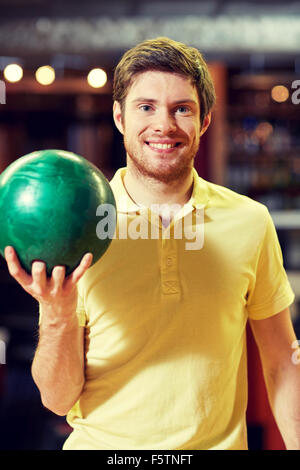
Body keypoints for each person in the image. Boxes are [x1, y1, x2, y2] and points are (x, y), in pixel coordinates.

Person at [4, 37, 299, 450]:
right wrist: (57, 313)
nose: (164, 125)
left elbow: (284, 363)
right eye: (146, 107)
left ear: (206, 120)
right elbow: (57, 400)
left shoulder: (250, 222)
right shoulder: (80, 228)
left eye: (183, 109)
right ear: (120, 118)